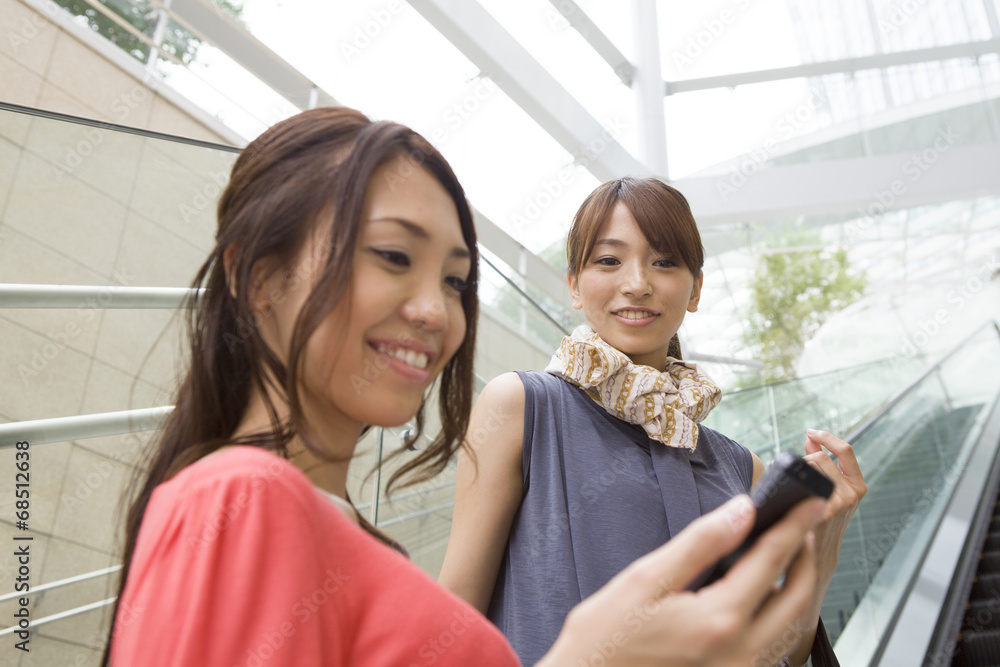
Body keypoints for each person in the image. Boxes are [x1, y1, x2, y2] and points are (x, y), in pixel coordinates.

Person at [105, 107, 832, 667]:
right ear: (257, 277)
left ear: (696, 287)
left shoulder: (348, 544)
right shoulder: (241, 498)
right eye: (394, 256)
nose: (436, 311)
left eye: (456, 281)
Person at [439, 177, 867, 666]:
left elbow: (778, 653)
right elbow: (453, 623)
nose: (637, 282)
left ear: (696, 289)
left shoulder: (741, 466)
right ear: (575, 285)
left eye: (664, 261)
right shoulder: (521, 406)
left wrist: (824, 545)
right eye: (608, 260)